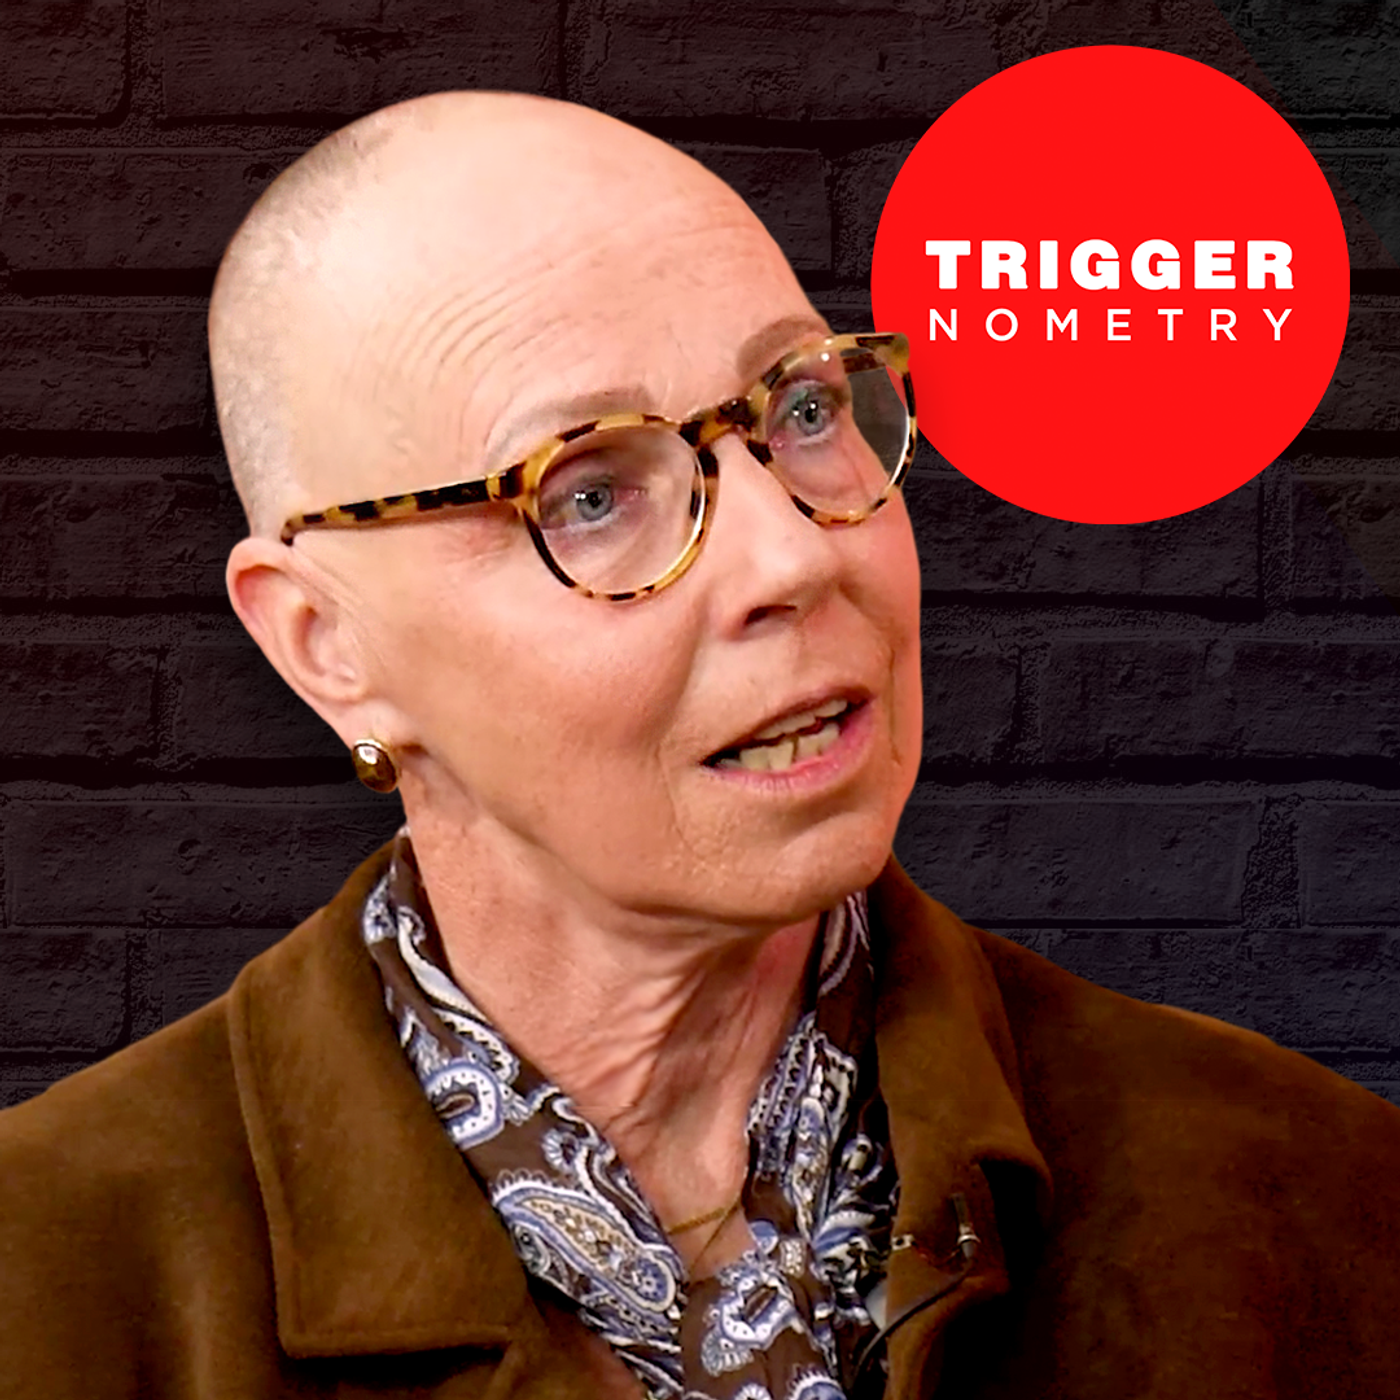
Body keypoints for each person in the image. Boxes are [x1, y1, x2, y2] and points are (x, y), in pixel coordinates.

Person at [1, 90, 1398, 1400]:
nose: (792, 558)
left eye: (803, 410)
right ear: (326, 644)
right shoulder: (53, 1276)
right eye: (589, 495)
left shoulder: (1311, 1194)